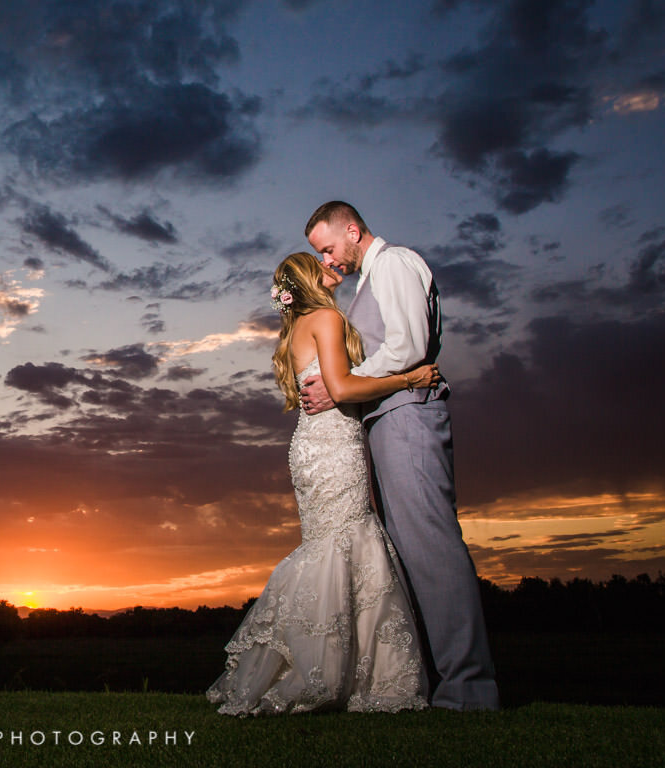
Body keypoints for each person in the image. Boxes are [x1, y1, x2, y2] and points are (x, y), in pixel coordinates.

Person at [207, 252, 432, 715]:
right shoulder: (325, 317)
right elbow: (343, 388)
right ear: (311, 277)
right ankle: (337, 675)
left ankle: (333, 670)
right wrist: (409, 377)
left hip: (313, 446)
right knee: (345, 544)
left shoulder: (295, 329)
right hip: (331, 446)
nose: (332, 265)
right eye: (321, 261)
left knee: (332, 549)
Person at [302, 200, 499, 711]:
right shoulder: (367, 280)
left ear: (352, 229)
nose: (328, 259)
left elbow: (409, 348)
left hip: (409, 416)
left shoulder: (394, 263)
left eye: (328, 247)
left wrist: (342, 386)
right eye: (318, 255)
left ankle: (470, 690)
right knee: (410, 552)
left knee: (431, 545)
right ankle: (444, 684)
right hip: (386, 419)